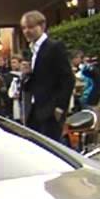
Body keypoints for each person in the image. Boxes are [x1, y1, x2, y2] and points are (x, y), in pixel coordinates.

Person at [20, 10, 75, 142]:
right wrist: (27, 75)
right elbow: (35, 81)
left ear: (42, 26)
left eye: (31, 27)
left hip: (50, 109)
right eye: (24, 28)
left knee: (50, 145)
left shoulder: (54, 47)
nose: (27, 31)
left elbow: (68, 79)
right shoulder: (32, 51)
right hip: (35, 109)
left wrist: (60, 108)